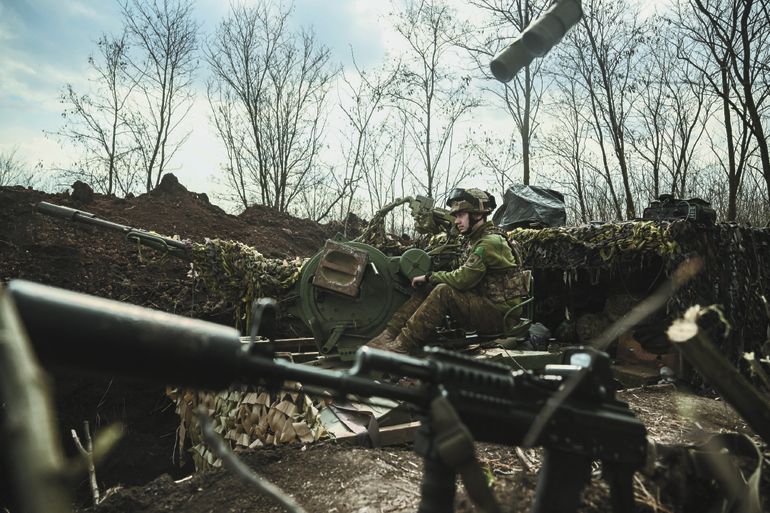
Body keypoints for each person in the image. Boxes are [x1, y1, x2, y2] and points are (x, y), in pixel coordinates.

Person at [366, 188, 528, 354]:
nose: (456, 221)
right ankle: (389, 334)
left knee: (443, 291)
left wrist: (431, 276)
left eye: (460, 215)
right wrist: (430, 279)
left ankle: (402, 345)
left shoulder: (489, 242)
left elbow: (463, 279)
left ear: (477, 215)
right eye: (456, 216)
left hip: (501, 316)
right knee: (428, 286)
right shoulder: (477, 239)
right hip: (487, 307)